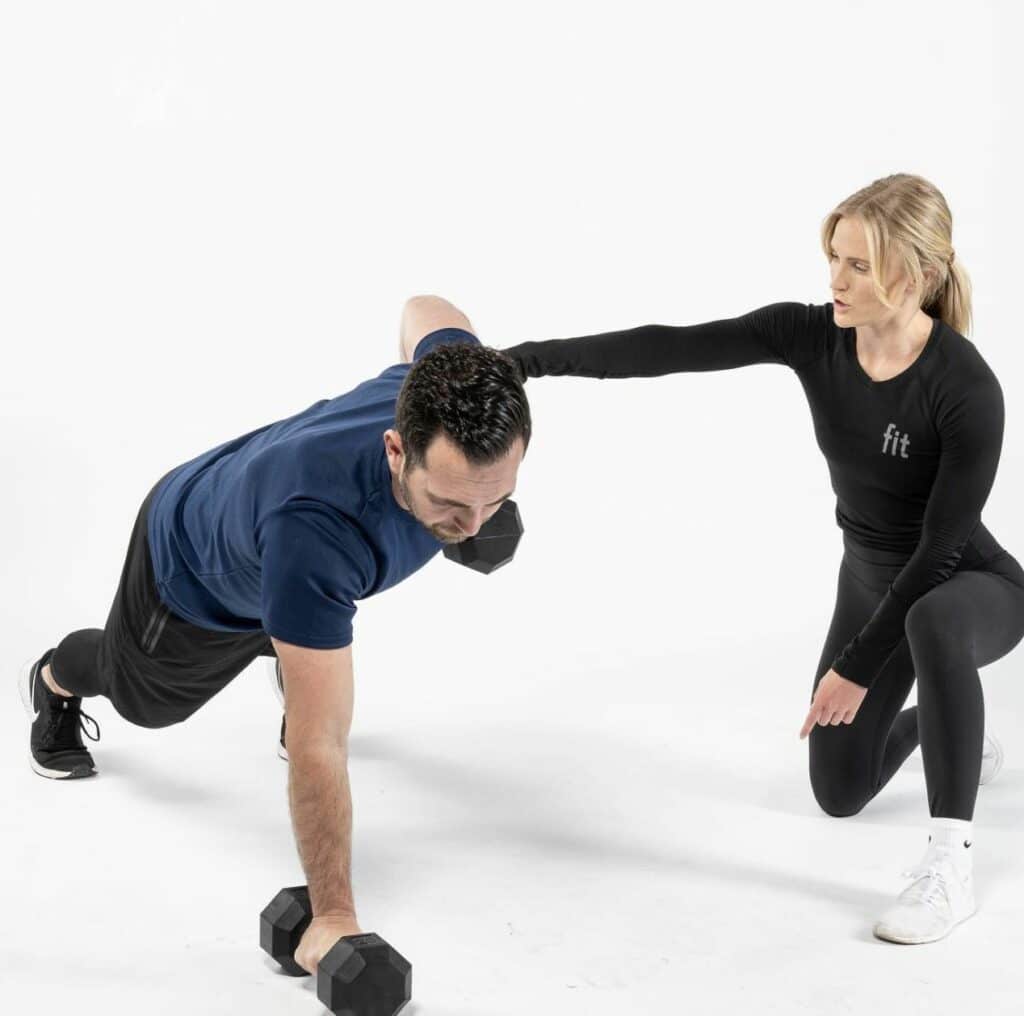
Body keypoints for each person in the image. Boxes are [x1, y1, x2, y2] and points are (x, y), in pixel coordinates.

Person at [501, 173, 1024, 945]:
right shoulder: (813, 335)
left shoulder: (964, 387)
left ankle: (950, 868)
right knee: (840, 791)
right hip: (872, 584)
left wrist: (852, 662)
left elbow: (942, 548)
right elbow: (669, 347)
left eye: (857, 265)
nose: (834, 281)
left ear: (913, 276)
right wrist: (522, 361)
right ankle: (950, 730)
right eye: (834, 258)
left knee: (935, 621)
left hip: (969, 587)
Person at [19, 294, 530, 973]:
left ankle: (288, 645)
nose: (470, 524)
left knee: (309, 624)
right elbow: (320, 746)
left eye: (491, 498)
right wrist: (332, 918)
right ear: (396, 448)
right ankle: (53, 677)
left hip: (266, 537)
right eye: (447, 501)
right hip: (191, 574)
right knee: (145, 700)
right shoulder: (314, 538)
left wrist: (471, 500)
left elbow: (423, 307)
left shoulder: (447, 391)